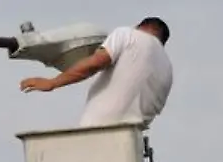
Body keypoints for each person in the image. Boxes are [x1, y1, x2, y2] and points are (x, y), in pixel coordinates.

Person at [19, 17, 173, 128]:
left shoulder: (127, 34)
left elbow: (96, 62)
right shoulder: (167, 68)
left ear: (138, 26)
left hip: (97, 134)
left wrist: (52, 82)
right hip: (131, 145)